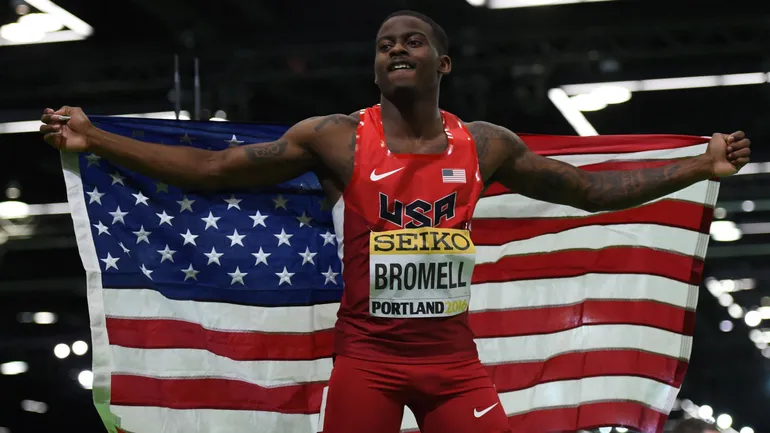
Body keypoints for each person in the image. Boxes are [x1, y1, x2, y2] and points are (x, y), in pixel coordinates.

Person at [39, 9, 751, 433]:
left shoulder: (485, 142)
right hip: (368, 365)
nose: (396, 49)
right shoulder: (337, 137)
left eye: (411, 41)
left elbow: (589, 190)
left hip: (453, 365)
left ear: (441, 61)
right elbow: (217, 171)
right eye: (385, 44)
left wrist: (699, 166)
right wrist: (95, 137)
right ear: (376, 68)